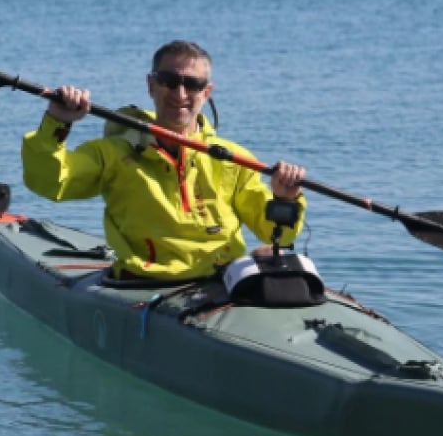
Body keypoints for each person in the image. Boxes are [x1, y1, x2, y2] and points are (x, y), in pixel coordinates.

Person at [22, 40, 306, 282]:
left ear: (206, 93)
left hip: (223, 281)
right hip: (143, 283)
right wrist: (57, 121)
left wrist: (286, 200)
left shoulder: (234, 158)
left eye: (192, 85)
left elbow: (275, 233)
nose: (180, 94)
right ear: (152, 85)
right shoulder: (111, 153)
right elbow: (49, 182)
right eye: (170, 82)